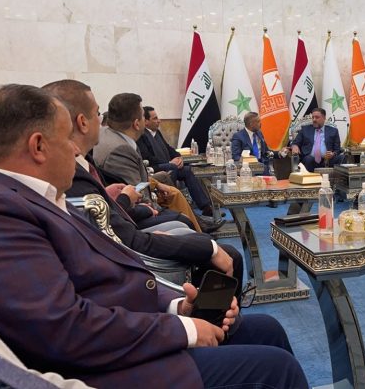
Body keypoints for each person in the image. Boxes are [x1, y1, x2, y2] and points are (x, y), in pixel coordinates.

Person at [0, 84, 308, 388]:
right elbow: (63, 329)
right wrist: (183, 329)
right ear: (38, 146)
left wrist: (178, 307)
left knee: (267, 330)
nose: (75, 150)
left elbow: (97, 281)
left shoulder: (30, 196)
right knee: (276, 369)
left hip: (133, 328)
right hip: (110, 367)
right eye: (66, 139)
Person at [43, 80, 244, 287]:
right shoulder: (69, 174)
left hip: (129, 235)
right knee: (224, 252)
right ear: (82, 122)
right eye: (98, 113)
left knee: (187, 225)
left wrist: (109, 195)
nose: (103, 122)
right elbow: (124, 238)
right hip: (130, 260)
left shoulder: (84, 163)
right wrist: (209, 248)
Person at [91, 93, 223, 233]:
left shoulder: (108, 135)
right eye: (143, 116)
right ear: (136, 124)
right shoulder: (121, 149)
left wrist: (155, 185)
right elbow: (136, 195)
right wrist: (156, 206)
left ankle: (200, 227)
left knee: (174, 194)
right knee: (183, 220)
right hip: (133, 219)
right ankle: (202, 235)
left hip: (129, 204)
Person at [138, 106, 217, 217]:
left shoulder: (157, 133)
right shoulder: (141, 136)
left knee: (187, 170)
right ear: (146, 121)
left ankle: (205, 207)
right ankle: (177, 206)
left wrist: (179, 158)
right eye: (155, 118)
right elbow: (148, 158)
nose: (159, 121)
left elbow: (168, 148)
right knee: (173, 167)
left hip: (168, 165)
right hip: (154, 168)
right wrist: (170, 162)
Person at [290, 107, 343, 172]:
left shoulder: (333, 131)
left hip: (328, 160)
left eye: (317, 117)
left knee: (342, 157)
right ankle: (312, 178)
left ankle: (339, 178)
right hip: (310, 160)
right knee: (309, 159)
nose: (314, 120)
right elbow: (295, 142)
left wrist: (333, 154)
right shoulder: (305, 130)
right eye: (313, 117)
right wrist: (294, 146)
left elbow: (337, 149)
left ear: (324, 118)